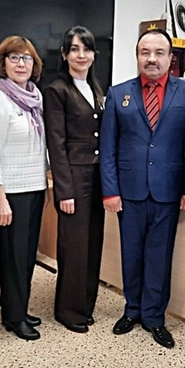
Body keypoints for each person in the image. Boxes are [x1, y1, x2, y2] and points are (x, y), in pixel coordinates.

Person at [100, 28, 185, 349]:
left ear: (171, 58)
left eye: (159, 53)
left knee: (159, 256)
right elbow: (108, 147)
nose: (152, 59)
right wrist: (110, 190)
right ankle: (132, 309)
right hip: (128, 191)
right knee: (131, 254)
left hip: (168, 190)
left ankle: (155, 317)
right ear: (137, 56)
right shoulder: (118, 94)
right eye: (145, 52)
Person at [0, 36, 47, 341]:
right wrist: (0, 198)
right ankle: (14, 317)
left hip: (35, 188)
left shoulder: (35, 97)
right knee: (13, 258)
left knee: (27, 255)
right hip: (11, 193)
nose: (21, 64)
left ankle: (18, 309)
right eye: (14, 58)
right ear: (2, 63)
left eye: (27, 58)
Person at [43, 26, 105, 334]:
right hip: (73, 181)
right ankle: (68, 310)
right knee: (74, 247)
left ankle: (86, 306)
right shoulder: (57, 90)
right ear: (64, 54)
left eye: (87, 49)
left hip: (97, 179)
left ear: (93, 54)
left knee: (93, 244)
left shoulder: (96, 88)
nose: (82, 55)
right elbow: (56, 144)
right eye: (75, 49)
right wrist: (63, 190)